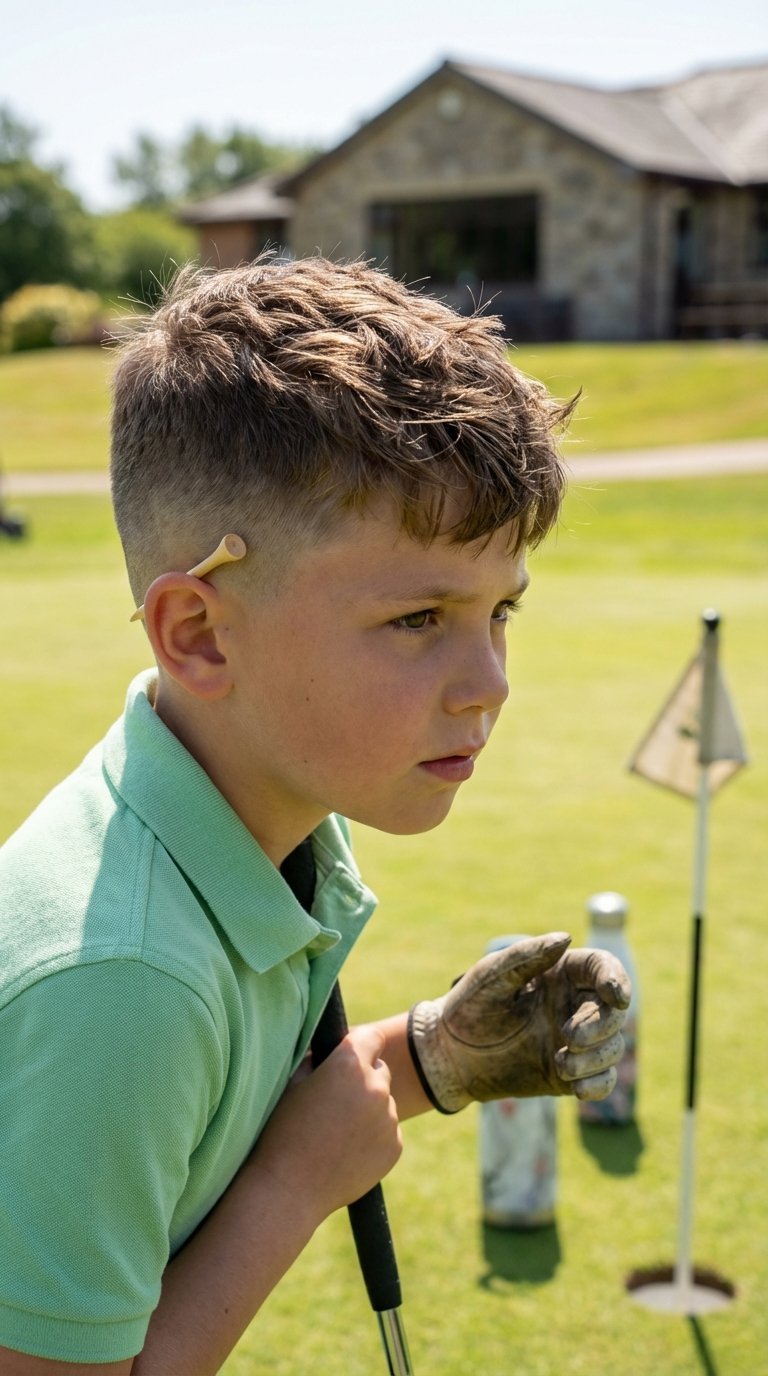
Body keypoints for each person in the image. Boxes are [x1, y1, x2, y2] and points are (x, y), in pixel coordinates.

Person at [0, 256, 630, 1375]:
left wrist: (427, 1057)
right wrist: (297, 1182)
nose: (486, 679)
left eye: (501, 612)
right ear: (197, 633)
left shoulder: (258, 810)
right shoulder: (125, 978)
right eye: (418, 616)